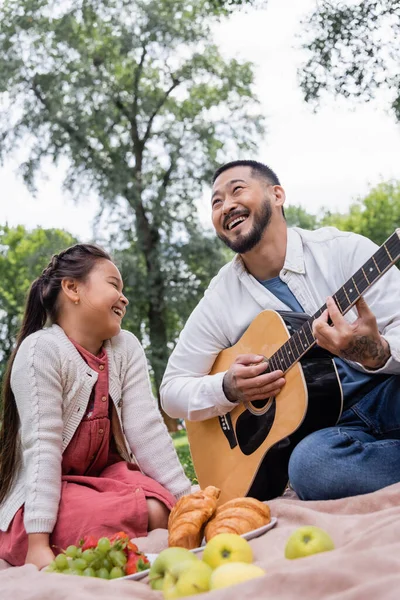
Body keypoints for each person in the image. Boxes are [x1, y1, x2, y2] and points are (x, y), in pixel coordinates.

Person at [160, 160, 400, 502]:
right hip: (330, 431)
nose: (226, 205)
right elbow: (171, 391)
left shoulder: (344, 252)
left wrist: (375, 353)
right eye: (215, 202)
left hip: (387, 392)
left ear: (277, 195)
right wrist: (227, 387)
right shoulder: (220, 299)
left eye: (237, 190)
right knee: (310, 468)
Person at [0, 243, 190, 569]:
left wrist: (187, 498)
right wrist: (38, 544)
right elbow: (42, 448)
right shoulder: (41, 350)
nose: (124, 298)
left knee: (164, 506)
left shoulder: (125, 347)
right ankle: (26, 536)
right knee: (148, 513)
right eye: (114, 285)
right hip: (43, 495)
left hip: (102, 479)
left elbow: (146, 428)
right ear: (72, 288)